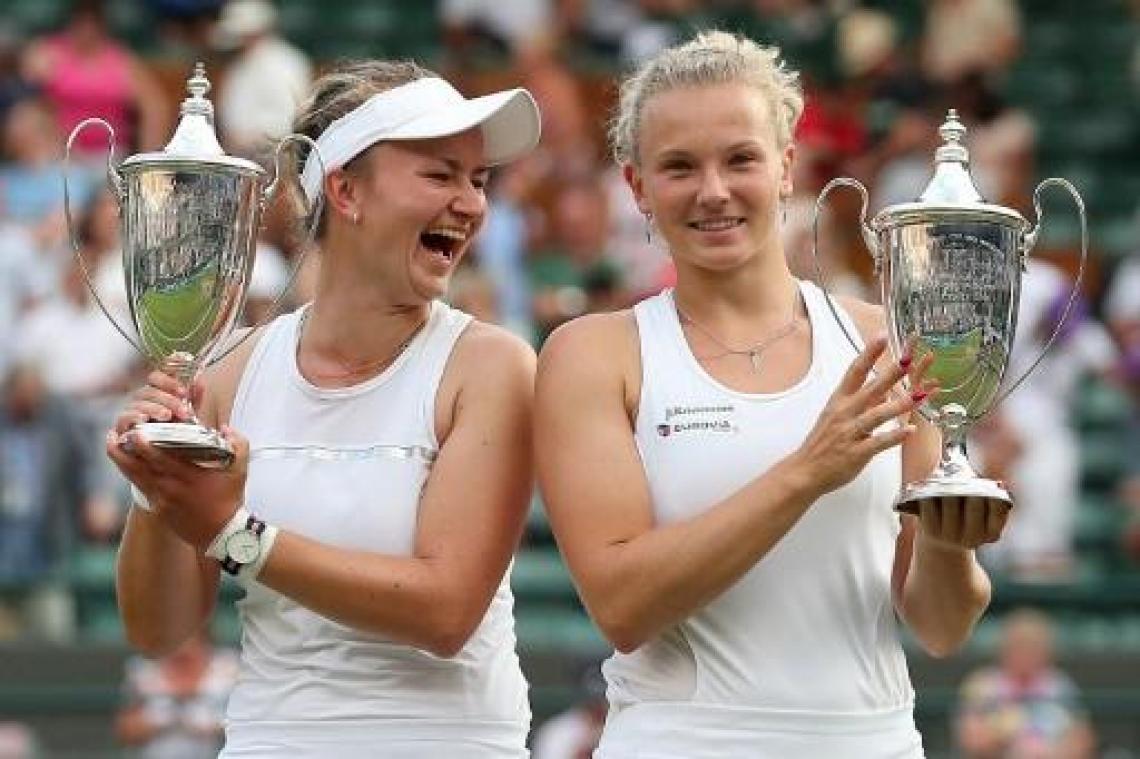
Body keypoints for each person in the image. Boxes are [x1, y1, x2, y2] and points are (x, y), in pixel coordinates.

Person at [535, 31, 1009, 757]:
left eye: (741, 158)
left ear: (787, 167)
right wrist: (805, 472)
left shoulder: (885, 340)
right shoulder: (595, 352)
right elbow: (622, 604)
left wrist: (948, 539)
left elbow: (942, 626)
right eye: (679, 166)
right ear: (636, 187)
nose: (714, 190)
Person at [106, 59, 541, 757]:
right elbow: (158, 630)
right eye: (440, 174)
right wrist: (155, 494)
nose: (471, 202)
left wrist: (235, 533)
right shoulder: (228, 368)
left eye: (478, 179)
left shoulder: (493, 365)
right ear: (345, 190)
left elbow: (446, 609)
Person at [955, 609, 1096, 759]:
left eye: (1034, 646)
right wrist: (1003, 733)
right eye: (1019, 645)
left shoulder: (1060, 685)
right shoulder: (982, 684)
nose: (1026, 653)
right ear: (1004, 649)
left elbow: (1082, 740)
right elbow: (971, 741)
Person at [115, 632, 238, 758]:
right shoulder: (143, 670)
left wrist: (212, 724)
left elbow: (246, 725)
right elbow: (126, 730)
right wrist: (159, 721)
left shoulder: (228, 666)